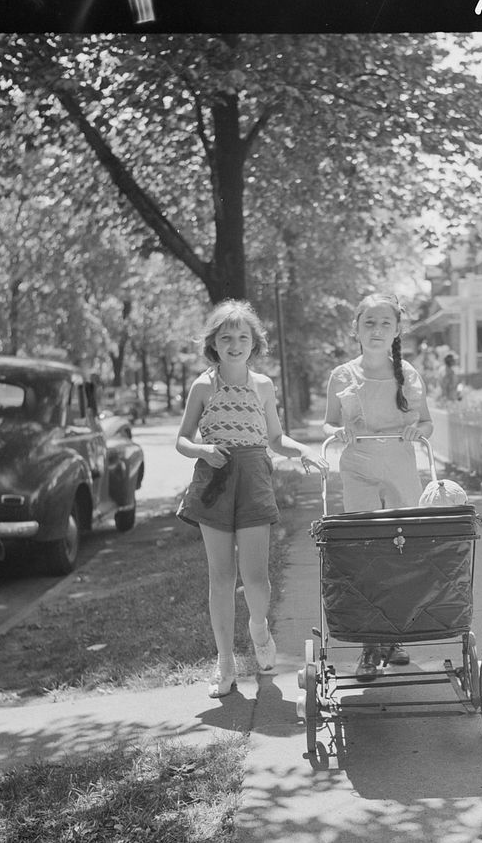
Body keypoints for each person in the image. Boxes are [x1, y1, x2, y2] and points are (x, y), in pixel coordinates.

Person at [176, 300, 327, 698]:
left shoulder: (263, 385)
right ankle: (225, 662)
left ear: (254, 343)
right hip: (215, 479)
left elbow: (276, 438)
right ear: (214, 344)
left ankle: (258, 626)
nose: (235, 343)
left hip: (255, 478)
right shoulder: (204, 385)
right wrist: (202, 451)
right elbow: (183, 438)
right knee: (221, 577)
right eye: (226, 337)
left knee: (256, 579)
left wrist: (304, 451)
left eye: (243, 337)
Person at [323, 292, 434, 682]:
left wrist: (416, 429)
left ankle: (395, 637)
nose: (376, 330)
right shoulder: (342, 375)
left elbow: (427, 424)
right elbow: (328, 423)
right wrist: (337, 431)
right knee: (365, 551)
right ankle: (370, 645)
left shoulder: (409, 374)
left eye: (385, 323)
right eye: (368, 322)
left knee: (401, 552)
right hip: (359, 470)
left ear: (397, 330)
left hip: (401, 471)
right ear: (355, 329)